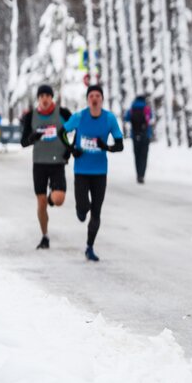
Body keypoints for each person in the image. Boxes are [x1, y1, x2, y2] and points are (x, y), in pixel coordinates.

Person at [62, 84, 124, 262]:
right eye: (91, 96)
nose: (95, 99)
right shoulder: (79, 117)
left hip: (100, 172)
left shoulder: (109, 119)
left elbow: (120, 145)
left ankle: (89, 246)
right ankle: (80, 210)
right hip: (81, 170)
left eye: (98, 96)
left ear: (102, 99)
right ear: (88, 100)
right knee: (83, 209)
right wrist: (72, 149)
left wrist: (107, 147)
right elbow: (62, 133)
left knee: (96, 212)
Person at [20, 84, 74, 250]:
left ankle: (52, 199)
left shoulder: (63, 113)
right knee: (41, 202)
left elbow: (79, 128)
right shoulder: (31, 116)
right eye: (41, 96)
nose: (44, 99)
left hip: (57, 163)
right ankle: (45, 236)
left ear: (52, 98)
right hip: (40, 164)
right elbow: (23, 142)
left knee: (58, 200)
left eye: (47, 95)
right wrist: (32, 138)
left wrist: (69, 149)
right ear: (38, 99)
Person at [123, 94, 154, 184]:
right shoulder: (146, 108)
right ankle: (142, 175)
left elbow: (126, 118)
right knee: (144, 156)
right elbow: (150, 118)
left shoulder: (132, 108)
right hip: (145, 135)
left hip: (135, 135)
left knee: (137, 155)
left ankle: (138, 174)